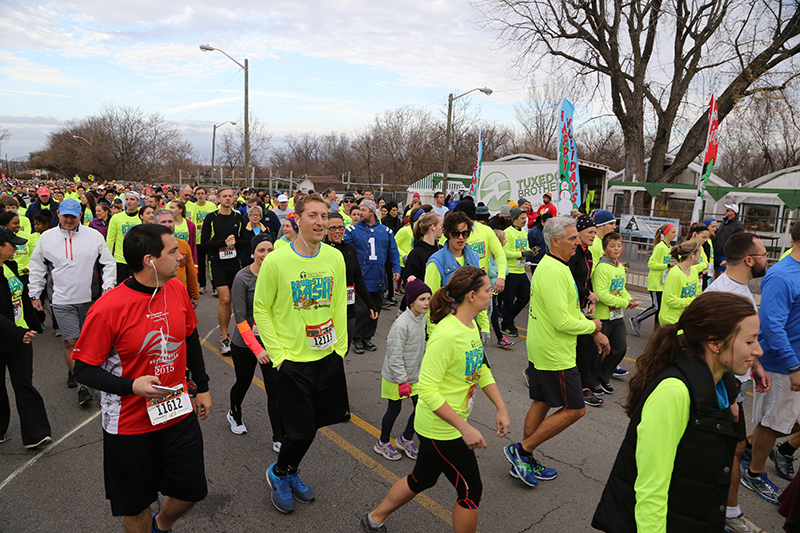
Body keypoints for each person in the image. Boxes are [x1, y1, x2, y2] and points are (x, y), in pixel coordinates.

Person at [71, 224, 211, 533]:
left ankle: (161, 526)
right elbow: (82, 368)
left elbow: (189, 336)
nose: (181, 257)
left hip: (177, 411)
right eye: (173, 251)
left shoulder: (175, 289)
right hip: (128, 423)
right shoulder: (109, 308)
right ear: (150, 260)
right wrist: (131, 386)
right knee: (135, 505)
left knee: (192, 491)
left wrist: (202, 386)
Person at [593, 292, 761, 532]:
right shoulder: (674, 392)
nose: (759, 350)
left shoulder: (720, 386)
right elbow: (651, 491)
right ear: (714, 343)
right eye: (749, 341)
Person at [360, 266, 509, 533]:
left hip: (449, 425)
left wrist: (501, 406)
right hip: (442, 430)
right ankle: (374, 519)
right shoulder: (447, 334)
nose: (492, 295)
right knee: (470, 490)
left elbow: (481, 368)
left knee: (421, 479)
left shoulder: (470, 324)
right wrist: (464, 428)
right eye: (488, 291)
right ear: (472, 295)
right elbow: (427, 390)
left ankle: (373, 519)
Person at [252, 193, 349, 515]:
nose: (320, 222)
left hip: (327, 356)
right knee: (300, 429)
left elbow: (338, 304)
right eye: (313, 216)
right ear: (297, 219)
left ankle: (290, 468)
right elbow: (261, 309)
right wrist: (279, 356)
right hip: (292, 360)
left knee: (317, 424)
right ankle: (279, 472)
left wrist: (340, 348)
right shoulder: (278, 260)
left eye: (324, 215)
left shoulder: (334, 257)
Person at [504, 216, 609, 487]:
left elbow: (569, 309)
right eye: (572, 238)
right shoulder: (552, 271)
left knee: (542, 401)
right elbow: (562, 321)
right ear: (555, 241)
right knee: (575, 409)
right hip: (554, 351)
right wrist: (593, 325)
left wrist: (594, 332)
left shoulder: (559, 266)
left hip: (547, 347)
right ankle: (522, 451)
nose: (577, 242)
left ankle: (525, 457)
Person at [705, 231, 771, 533]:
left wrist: (754, 365)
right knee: (732, 447)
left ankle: (724, 509)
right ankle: (728, 513)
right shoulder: (724, 295)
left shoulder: (740, 290)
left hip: (735, 385)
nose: (767, 259)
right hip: (723, 387)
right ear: (749, 260)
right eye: (763, 254)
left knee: (730, 447)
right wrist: (729, 396)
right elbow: (711, 350)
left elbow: (742, 341)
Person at [29, 199, 116, 405]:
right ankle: (82, 385)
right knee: (70, 342)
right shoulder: (47, 237)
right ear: (58, 214)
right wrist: (35, 294)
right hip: (61, 300)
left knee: (92, 342)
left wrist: (108, 289)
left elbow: (108, 263)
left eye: (73, 216)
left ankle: (92, 373)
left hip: (90, 299)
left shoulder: (94, 236)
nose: (69, 220)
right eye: (65, 216)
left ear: (80, 216)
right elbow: (37, 267)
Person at [744, 219, 800, 505]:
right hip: (783, 365)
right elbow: (773, 327)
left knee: (786, 424)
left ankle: (748, 446)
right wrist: (793, 366)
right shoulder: (782, 276)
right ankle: (754, 472)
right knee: (774, 423)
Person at [226, 233, 285, 452]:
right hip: (245, 342)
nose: (266, 254)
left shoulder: (278, 275)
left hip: (270, 340)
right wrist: (257, 348)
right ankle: (234, 412)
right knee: (243, 381)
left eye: (270, 250)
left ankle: (278, 436)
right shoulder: (243, 278)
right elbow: (240, 319)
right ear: (253, 253)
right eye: (261, 250)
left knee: (275, 389)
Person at [0, 226, 51, 449]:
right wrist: (17, 331)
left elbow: (20, 299)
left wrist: (31, 326)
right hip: (7, 335)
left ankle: (36, 434)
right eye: (11, 244)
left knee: (24, 384)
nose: (17, 247)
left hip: (21, 337)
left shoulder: (10, 266)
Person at [374, 278, 431, 461]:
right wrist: (402, 380)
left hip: (414, 375)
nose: (427, 303)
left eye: (428, 298)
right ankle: (382, 443)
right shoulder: (401, 325)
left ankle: (405, 438)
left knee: (421, 407)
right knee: (394, 409)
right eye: (422, 299)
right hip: (396, 377)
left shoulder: (421, 318)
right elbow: (394, 355)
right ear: (411, 301)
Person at [344, 199, 401, 353]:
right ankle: (357, 338)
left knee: (375, 310)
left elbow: (393, 252)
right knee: (361, 310)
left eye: (363, 210)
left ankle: (368, 337)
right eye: (359, 210)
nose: (360, 214)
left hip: (378, 279)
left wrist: (396, 268)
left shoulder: (386, 231)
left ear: (372, 212)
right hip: (360, 280)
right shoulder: (351, 231)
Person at [201, 187, 246, 355]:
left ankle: (230, 332)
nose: (227, 199)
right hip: (217, 263)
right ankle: (224, 337)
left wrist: (234, 242)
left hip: (234, 263)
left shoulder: (238, 217)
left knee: (232, 301)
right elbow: (204, 243)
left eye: (230, 196)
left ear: (234, 198)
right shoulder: (211, 218)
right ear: (218, 199)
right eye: (224, 196)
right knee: (225, 299)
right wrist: (223, 243)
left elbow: (244, 241)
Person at [591, 232, 638, 394]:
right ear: (604, 249)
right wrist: (625, 303)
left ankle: (604, 377)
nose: (616, 248)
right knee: (599, 352)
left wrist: (630, 300)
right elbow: (602, 295)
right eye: (612, 246)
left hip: (617, 315)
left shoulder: (618, 266)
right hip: (603, 316)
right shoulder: (602, 268)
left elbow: (621, 289)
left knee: (620, 348)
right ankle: (593, 381)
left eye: (619, 245)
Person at [324, 213, 378, 355]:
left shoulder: (350, 249)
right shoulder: (321, 250)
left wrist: (370, 303)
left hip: (348, 306)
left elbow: (358, 279)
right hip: (327, 309)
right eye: (333, 228)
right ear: (325, 229)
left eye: (341, 227)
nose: (337, 231)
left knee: (343, 349)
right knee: (328, 352)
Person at [424, 212, 480, 336]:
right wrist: (433, 332)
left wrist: (484, 326)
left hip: (470, 327)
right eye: (456, 233)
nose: (461, 237)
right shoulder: (436, 262)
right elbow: (431, 301)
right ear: (448, 234)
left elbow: (479, 295)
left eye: (465, 233)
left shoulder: (474, 258)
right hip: (446, 329)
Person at [631, 223, 677, 335]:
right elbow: (651, 264)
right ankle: (637, 318)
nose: (675, 234)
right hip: (655, 282)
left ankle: (657, 331)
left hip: (663, 282)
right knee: (656, 307)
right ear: (666, 233)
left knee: (660, 308)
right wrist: (667, 265)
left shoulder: (669, 247)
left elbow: (665, 263)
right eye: (673, 232)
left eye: (675, 232)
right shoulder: (660, 247)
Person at [501, 207, 536, 337]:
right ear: (514, 219)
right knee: (508, 300)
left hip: (521, 270)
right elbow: (504, 252)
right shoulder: (507, 233)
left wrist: (531, 252)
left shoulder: (523, 232)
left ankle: (509, 319)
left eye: (525, 218)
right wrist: (522, 253)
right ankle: (506, 325)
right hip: (510, 272)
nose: (525, 220)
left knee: (525, 297)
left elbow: (525, 247)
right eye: (522, 218)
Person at [154, 209, 199, 306]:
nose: (167, 225)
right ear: (155, 224)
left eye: (170, 221)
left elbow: (190, 272)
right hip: (157, 297)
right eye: (163, 222)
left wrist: (195, 295)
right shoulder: (148, 246)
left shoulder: (183, 245)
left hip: (181, 297)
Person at [658, 241, 702, 326]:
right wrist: (692, 300)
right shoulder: (674, 274)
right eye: (699, 254)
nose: (700, 257)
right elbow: (670, 300)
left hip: (685, 319)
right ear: (692, 255)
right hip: (670, 321)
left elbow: (695, 293)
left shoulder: (694, 271)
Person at [106, 191, 143, 284]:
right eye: (127, 199)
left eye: (132, 199)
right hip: (120, 260)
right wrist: (108, 257)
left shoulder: (142, 218)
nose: (129, 202)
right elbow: (110, 239)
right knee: (121, 287)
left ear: (138, 202)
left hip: (138, 260)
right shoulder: (116, 218)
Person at [190, 186, 217, 294]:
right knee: (200, 264)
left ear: (206, 195)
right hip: (198, 239)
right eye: (198, 193)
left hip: (210, 239)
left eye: (202, 193)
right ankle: (202, 285)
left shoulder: (211, 205)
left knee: (212, 263)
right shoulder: (193, 206)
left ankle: (215, 286)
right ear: (195, 195)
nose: (200, 196)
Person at [715, 204, 745, 273]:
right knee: (717, 271)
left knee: (725, 272)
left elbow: (737, 240)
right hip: (718, 250)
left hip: (726, 253)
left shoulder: (738, 225)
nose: (726, 212)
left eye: (728, 210)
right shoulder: (724, 222)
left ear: (733, 212)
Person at [168, 199, 197, 268]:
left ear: (180, 210)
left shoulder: (190, 225)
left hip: (185, 258)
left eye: (172, 208)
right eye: (169, 207)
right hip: (171, 259)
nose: (169, 210)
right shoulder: (167, 224)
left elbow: (192, 245)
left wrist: (195, 263)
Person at [702, 217, 717, 290]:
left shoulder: (712, 240)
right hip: (703, 272)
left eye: (716, 227)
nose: (715, 229)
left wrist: (719, 262)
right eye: (713, 226)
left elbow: (712, 256)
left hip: (709, 271)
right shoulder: (702, 241)